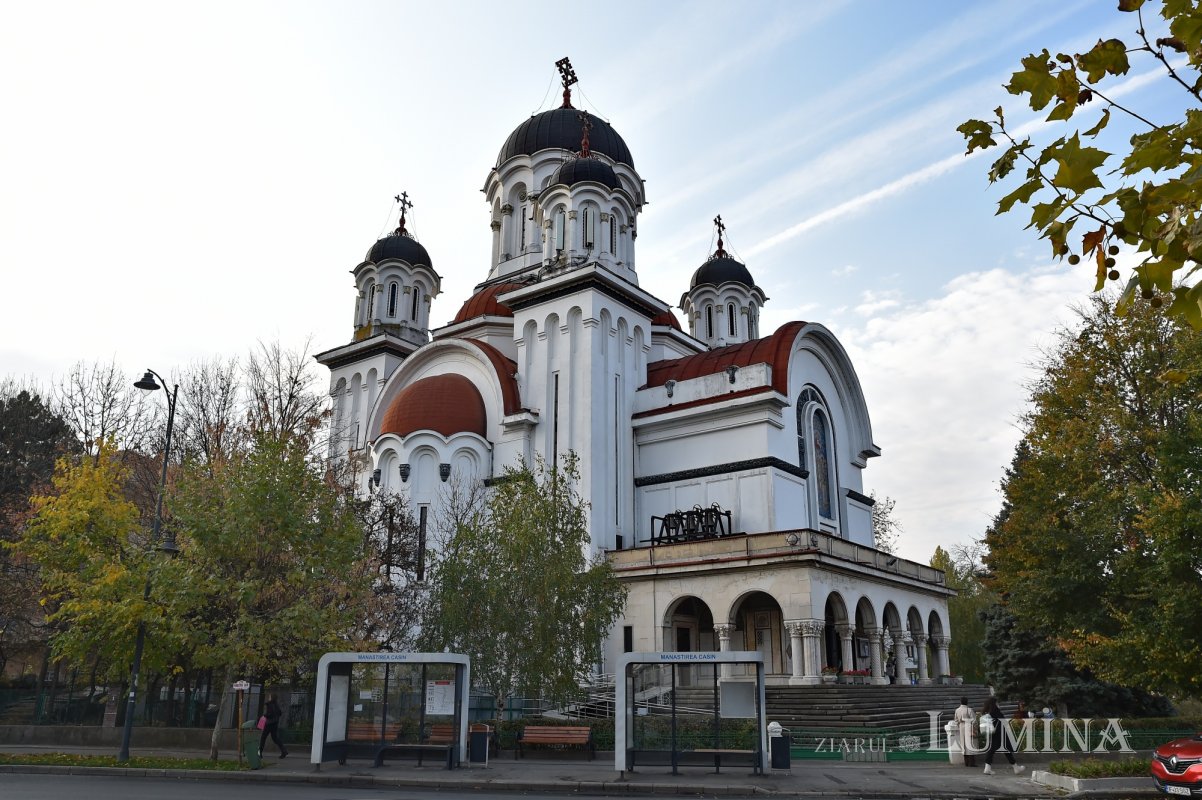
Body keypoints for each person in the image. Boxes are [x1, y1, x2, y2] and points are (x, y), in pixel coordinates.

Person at [981, 697, 1023, 776]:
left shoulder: (988, 712)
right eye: (997, 703)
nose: (998, 704)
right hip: (1000, 732)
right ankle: (1015, 767)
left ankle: (988, 768)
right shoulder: (995, 711)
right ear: (994, 703)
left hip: (994, 733)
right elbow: (1003, 721)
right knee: (1004, 749)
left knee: (997, 749)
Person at [259, 694, 288, 759]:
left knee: (263, 738)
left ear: (271, 698)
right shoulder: (276, 705)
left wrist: (265, 715)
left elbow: (270, 714)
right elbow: (280, 713)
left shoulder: (269, 705)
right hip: (275, 724)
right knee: (275, 738)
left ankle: (259, 753)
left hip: (269, 724)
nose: (268, 698)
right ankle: (284, 750)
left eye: (269, 697)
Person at [954, 696, 977, 767]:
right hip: (968, 727)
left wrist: (959, 725)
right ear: (967, 702)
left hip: (961, 727)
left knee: (963, 744)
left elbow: (956, 720)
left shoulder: (957, 710)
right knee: (970, 744)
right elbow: (974, 720)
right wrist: (975, 728)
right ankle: (971, 763)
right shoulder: (969, 710)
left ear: (960, 702)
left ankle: (966, 762)